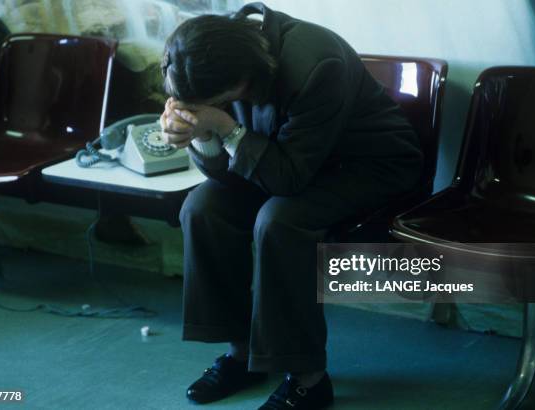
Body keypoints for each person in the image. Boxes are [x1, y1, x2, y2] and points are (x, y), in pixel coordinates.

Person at [160, 2, 423, 409]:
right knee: (203, 207)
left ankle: (309, 379)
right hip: (284, 159)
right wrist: (198, 135)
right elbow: (224, 176)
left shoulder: (316, 63)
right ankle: (243, 354)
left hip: (369, 165)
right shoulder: (204, 62)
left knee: (279, 220)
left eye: (212, 102)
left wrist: (224, 126)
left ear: (242, 78)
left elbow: (289, 181)